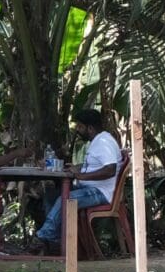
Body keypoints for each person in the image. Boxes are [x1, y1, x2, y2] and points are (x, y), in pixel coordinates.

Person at [38, 107, 122, 253]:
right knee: (51, 195)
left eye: (80, 126)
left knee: (66, 198)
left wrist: (82, 176)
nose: (77, 130)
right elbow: (97, 165)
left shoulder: (103, 142)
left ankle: (43, 237)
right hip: (89, 189)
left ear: (90, 128)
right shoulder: (97, 141)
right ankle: (55, 241)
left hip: (100, 192)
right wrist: (78, 168)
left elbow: (110, 169)